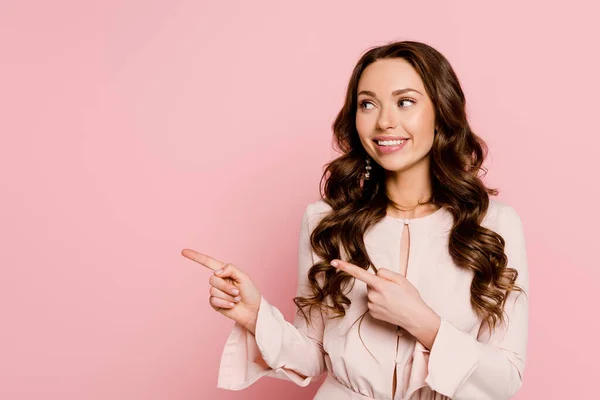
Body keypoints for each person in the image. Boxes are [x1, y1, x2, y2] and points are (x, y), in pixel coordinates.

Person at [181, 40, 529, 400]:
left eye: (404, 101)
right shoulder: (326, 220)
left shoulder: (493, 226)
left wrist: (424, 323)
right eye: (367, 104)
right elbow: (313, 356)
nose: (384, 121)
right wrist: (255, 316)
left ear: (442, 111)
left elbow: (505, 379)